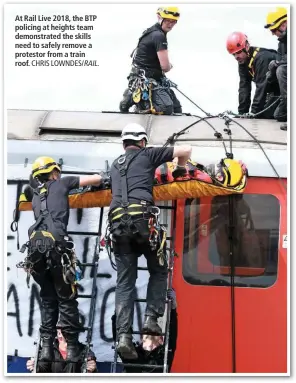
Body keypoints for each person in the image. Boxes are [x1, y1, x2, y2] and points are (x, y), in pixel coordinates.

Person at [108, 123, 191, 359]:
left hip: (117, 225)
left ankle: (123, 335)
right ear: (142, 141)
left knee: (125, 282)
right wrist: (179, 170)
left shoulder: (115, 165)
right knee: (158, 270)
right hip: (144, 222)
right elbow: (186, 149)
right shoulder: (149, 154)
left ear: (124, 144)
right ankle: (151, 320)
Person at [21, 156, 107, 363]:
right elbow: (95, 180)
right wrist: (103, 178)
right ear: (54, 172)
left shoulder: (33, 194)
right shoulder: (63, 183)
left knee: (48, 300)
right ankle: (72, 349)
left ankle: (46, 350)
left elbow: (28, 189)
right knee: (67, 300)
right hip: (58, 249)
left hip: (35, 253)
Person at [119, 6, 182, 115]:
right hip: (145, 80)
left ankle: (132, 95)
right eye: (167, 20)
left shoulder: (152, 32)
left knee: (176, 108)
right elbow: (165, 67)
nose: (171, 24)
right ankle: (134, 98)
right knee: (166, 108)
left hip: (152, 77)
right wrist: (170, 65)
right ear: (159, 18)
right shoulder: (158, 36)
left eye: (173, 22)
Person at [112, 288, 178, 372]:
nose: (149, 336)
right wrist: (117, 313)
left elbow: (171, 337)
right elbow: (119, 338)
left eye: (153, 334)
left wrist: (173, 308)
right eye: (146, 333)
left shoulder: (162, 356)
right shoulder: (133, 354)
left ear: (160, 341)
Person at [226, 31, 280, 119]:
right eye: (233, 54)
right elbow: (244, 87)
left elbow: (261, 87)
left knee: (266, 114)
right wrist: (242, 113)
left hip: (284, 92)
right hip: (273, 93)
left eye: (238, 52)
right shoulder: (243, 61)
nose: (236, 57)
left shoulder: (262, 58)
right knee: (262, 112)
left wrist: (254, 112)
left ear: (246, 46)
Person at [26, 328, 97, 373]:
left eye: (63, 330)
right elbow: (42, 369)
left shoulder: (84, 351)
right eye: (58, 330)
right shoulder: (49, 350)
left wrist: (92, 370)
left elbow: (90, 376)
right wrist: (35, 367)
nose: (60, 333)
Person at [264, 7, 287, 130]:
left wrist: (278, 64)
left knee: (282, 70)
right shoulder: (282, 44)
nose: (273, 33)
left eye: (274, 30)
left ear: (284, 24)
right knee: (278, 115)